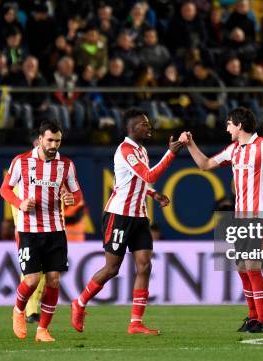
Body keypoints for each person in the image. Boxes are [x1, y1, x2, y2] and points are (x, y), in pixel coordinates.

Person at [70, 108, 183, 335]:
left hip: (139, 216)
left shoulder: (140, 149)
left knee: (144, 265)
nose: (149, 126)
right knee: (112, 268)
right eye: (145, 124)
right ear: (132, 128)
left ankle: (135, 323)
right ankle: (79, 303)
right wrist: (170, 154)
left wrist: (153, 194)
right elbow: (149, 175)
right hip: (119, 215)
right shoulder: (125, 150)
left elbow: (137, 181)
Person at [179, 107, 263, 333]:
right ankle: (253, 318)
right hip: (240, 217)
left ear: (239, 125)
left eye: (229, 123)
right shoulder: (234, 150)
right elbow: (205, 165)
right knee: (242, 267)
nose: (227, 127)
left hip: (261, 215)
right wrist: (190, 144)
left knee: (252, 267)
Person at [0, 120, 83, 342]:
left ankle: (42, 330)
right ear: (39, 139)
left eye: (58, 140)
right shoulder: (21, 161)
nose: (54, 144)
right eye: (50, 140)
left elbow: (77, 194)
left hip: (56, 230)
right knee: (32, 279)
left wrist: (70, 198)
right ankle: (18, 311)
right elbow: (5, 189)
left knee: (54, 280)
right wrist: (19, 203)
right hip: (29, 230)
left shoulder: (66, 165)